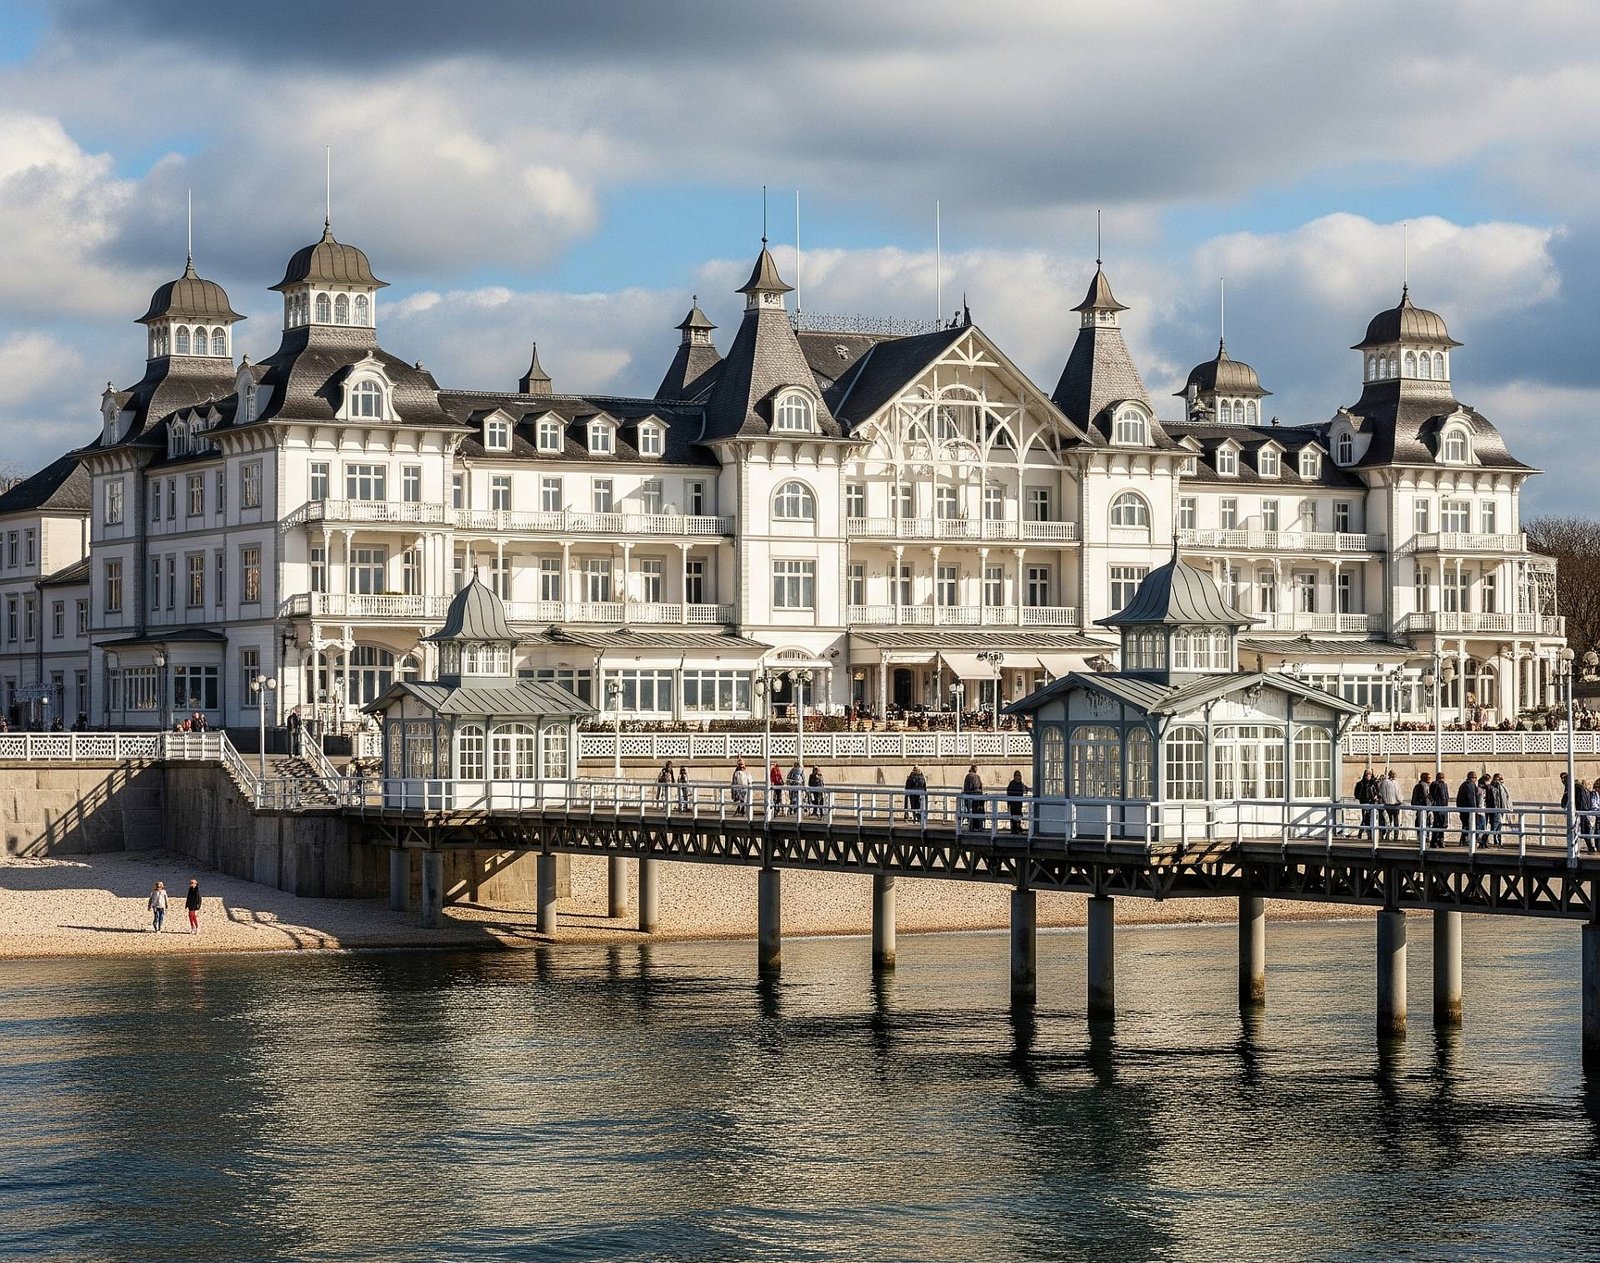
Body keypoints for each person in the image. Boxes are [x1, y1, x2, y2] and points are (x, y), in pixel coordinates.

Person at [1456, 770, 1483, 847]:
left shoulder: (1463, 785)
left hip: (1463, 809)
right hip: (1469, 810)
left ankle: (1463, 841)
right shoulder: (1470, 785)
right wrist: (1475, 810)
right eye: (1475, 778)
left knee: (1465, 825)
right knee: (1473, 824)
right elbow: (1471, 799)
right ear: (1473, 778)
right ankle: (1471, 840)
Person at [1484, 772, 1510, 847]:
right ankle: (1484, 840)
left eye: (1502, 778)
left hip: (1500, 809)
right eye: (1499, 778)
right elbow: (1494, 799)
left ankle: (1497, 842)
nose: (1501, 780)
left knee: (1499, 827)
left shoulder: (1500, 787)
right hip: (1495, 809)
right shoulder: (1493, 787)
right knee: (1494, 827)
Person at [1427, 772, 1451, 849]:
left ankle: (1437, 841)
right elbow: (1446, 797)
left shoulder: (1434, 784)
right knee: (1439, 824)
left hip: (1438, 807)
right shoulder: (1441, 785)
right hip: (1441, 807)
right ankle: (1437, 841)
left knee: (1438, 824)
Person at [1378, 770, 1402, 841]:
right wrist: (1400, 801)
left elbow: (1381, 793)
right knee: (1395, 820)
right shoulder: (1395, 783)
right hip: (1395, 804)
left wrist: (1385, 800)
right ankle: (1396, 835)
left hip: (1386, 804)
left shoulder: (1384, 782)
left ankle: (1386, 834)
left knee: (1388, 820)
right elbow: (1398, 794)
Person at [962, 763, 985, 832]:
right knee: (977, 811)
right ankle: (977, 827)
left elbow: (965, 787)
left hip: (968, 796)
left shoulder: (967, 776)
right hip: (976, 796)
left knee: (970, 812)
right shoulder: (976, 777)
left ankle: (972, 826)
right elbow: (978, 786)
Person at [1411, 772, 1432, 847]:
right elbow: (1425, 798)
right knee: (1425, 823)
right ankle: (1424, 838)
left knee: (1421, 822)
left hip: (1420, 807)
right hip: (1424, 807)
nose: (1430, 779)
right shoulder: (1424, 786)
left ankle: (1421, 837)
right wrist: (1430, 806)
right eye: (1428, 778)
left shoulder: (1418, 785)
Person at [1006, 769, 1028, 835]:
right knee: (1013, 816)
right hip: (1013, 803)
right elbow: (1009, 792)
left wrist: (1026, 789)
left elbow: (1025, 788)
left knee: (1019, 816)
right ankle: (1014, 829)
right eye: (1017, 776)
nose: (1018, 777)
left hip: (1019, 803)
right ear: (1014, 776)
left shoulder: (1021, 783)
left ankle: (1018, 828)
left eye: (1019, 776)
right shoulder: (1012, 783)